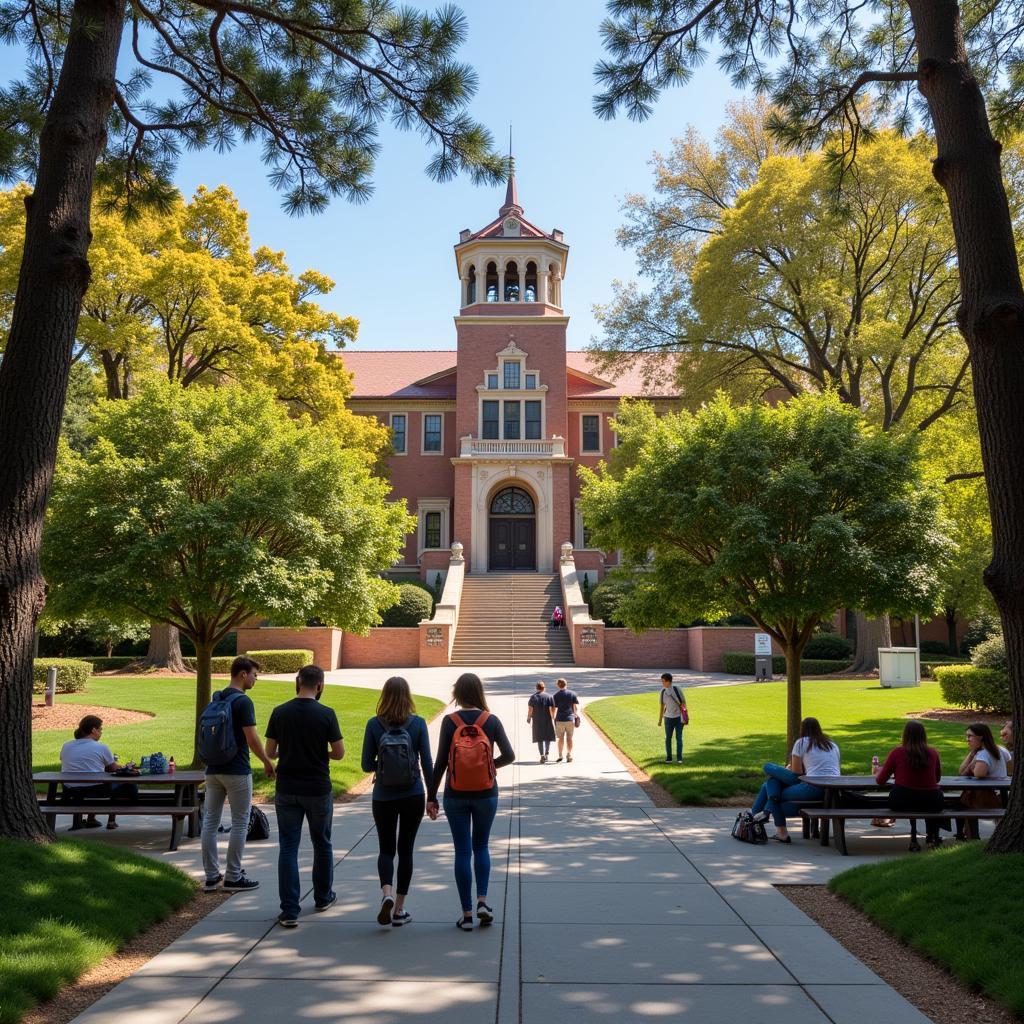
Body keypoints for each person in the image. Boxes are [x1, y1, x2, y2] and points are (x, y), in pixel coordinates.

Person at [427, 673, 515, 931]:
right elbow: (509, 755)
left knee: (462, 852)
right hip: (486, 793)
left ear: (458, 693)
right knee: (482, 846)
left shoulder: (449, 721)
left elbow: (441, 762)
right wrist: (490, 766)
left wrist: (431, 797)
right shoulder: (491, 720)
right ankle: (482, 902)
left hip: (455, 793)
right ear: (479, 692)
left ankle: (466, 915)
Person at [264, 664, 344, 927]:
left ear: (298, 683)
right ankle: (323, 897)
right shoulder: (326, 714)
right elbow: (339, 752)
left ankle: (289, 909)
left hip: (287, 788)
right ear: (319, 686)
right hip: (317, 788)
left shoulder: (280, 712)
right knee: (322, 843)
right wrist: (323, 753)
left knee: (288, 847)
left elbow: (270, 752)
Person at [361, 676, 433, 927]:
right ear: (408, 695)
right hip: (413, 793)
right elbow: (427, 763)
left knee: (386, 849)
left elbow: (365, 764)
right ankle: (400, 909)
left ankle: (386, 895)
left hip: (383, 795)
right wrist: (432, 796)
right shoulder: (418, 724)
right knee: (406, 850)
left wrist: (383, 765)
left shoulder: (373, 724)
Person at [201, 656, 275, 893]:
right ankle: (233, 875)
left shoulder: (217, 698)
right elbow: (252, 738)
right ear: (242, 674)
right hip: (237, 769)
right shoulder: (243, 702)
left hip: (212, 769)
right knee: (240, 822)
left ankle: (212, 877)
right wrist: (266, 761)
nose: (256, 679)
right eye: (254, 674)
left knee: (210, 822)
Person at [750, 717, 840, 843]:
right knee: (772, 783)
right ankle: (763, 813)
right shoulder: (831, 744)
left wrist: (786, 769)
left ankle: (764, 820)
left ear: (802, 729)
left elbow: (797, 772)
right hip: (833, 789)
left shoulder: (802, 742)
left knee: (769, 772)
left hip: (812, 787)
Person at [875, 721, 945, 849]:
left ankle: (917, 837)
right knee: (931, 796)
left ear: (905, 735)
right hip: (932, 802)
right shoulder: (932, 753)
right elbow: (937, 779)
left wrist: (882, 770)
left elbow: (880, 780)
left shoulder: (897, 752)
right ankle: (932, 836)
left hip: (902, 801)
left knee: (908, 795)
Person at [59, 715, 137, 830]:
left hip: (70, 791)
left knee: (95, 779)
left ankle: (87, 820)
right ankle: (111, 821)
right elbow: (114, 769)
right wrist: (127, 767)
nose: (101, 732)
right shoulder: (100, 747)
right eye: (100, 729)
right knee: (125, 784)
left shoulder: (66, 746)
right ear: (93, 730)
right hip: (95, 791)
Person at [956, 722, 1011, 839]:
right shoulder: (1000, 749)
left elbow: (978, 774)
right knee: (963, 799)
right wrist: (972, 755)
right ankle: (963, 834)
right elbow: (961, 771)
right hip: (1003, 797)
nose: (967, 739)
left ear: (980, 737)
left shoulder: (983, 754)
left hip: (989, 800)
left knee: (962, 802)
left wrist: (973, 764)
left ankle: (971, 836)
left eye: (970, 736)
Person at [656, 672, 687, 764]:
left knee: (679, 738)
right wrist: (660, 720)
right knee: (668, 738)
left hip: (678, 718)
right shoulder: (662, 692)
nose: (662, 683)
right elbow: (662, 707)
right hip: (668, 718)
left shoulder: (677, 689)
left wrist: (684, 716)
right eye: (662, 681)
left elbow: (684, 703)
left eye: (663, 681)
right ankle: (669, 758)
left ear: (669, 681)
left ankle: (679, 758)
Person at [527, 681, 556, 762]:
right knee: (547, 737)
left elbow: (530, 709)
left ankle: (542, 755)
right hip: (547, 720)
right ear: (544, 688)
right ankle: (547, 753)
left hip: (537, 721)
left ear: (536, 688)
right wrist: (553, 716)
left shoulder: (533, 697)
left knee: (539, 738)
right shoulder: (549, 696)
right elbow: (553, 708)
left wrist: (529, 718)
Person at [552, 677, 580, 763]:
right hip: (570, 719)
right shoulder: (572, 694)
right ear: (566, 684)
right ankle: (569, 754)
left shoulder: (556, 695)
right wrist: (576, 715)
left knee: (560, 738)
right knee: (569, 738)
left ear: (558, 685)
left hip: (560, 719)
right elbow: (575, 707)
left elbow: (554, 708)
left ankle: (560, 755)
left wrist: (553, 717)